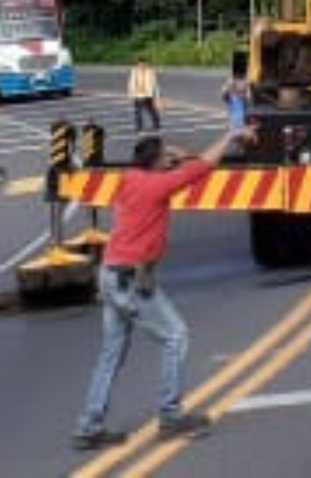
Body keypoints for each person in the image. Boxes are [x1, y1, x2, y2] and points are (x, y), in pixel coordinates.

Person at [73, 127, 237, 451]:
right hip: (131, 280)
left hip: (110, 274)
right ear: (158, 162)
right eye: (166, 157)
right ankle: (170, 417)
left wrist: (172, 154)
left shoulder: (131, 178)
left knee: (111, 353)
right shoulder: (158, 185)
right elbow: (203, 165)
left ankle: (89, 426)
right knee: (176, 336)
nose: (171, 159)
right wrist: (231, 136)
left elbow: (176, 161)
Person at [220, 54, 251, 141]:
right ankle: (237, 134)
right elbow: (224, 95)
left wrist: (244, 95)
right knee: (236, 130)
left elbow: (248, 97)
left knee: (239, 130)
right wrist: (229, 91)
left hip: (240, 110)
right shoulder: (231, 81)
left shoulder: (246, 81)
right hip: (235, 109)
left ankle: (239, 135)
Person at [127, 56, 161, 133]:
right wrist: (130, 94)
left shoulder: (150, 71)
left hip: (148, 94)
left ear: (146, 64)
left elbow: (155, 84)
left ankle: (156, 123)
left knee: (151, 110)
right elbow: (131, 83)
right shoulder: (134, 71)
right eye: (140, 64)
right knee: (138, 111)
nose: (142, 66)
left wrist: (157, 95)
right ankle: (139, 127)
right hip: (138, 94)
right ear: (138, 64)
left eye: (143, 64)